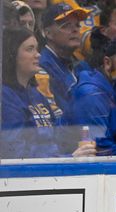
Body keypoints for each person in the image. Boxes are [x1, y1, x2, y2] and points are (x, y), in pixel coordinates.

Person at [2, 27, 96, 159]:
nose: (38, 54)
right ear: (12, 54)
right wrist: (68, 158)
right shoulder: (5, 97)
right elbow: (16, 153)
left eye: (37, 48)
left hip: (54, 165)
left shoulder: (36, 94)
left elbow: (57, 134)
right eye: (30, 49)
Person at [39, 3, 91, 123]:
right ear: (47, 33)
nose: (75, 30)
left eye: (77, 25)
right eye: (66, 25)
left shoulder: (82, 65)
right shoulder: (42, 68)